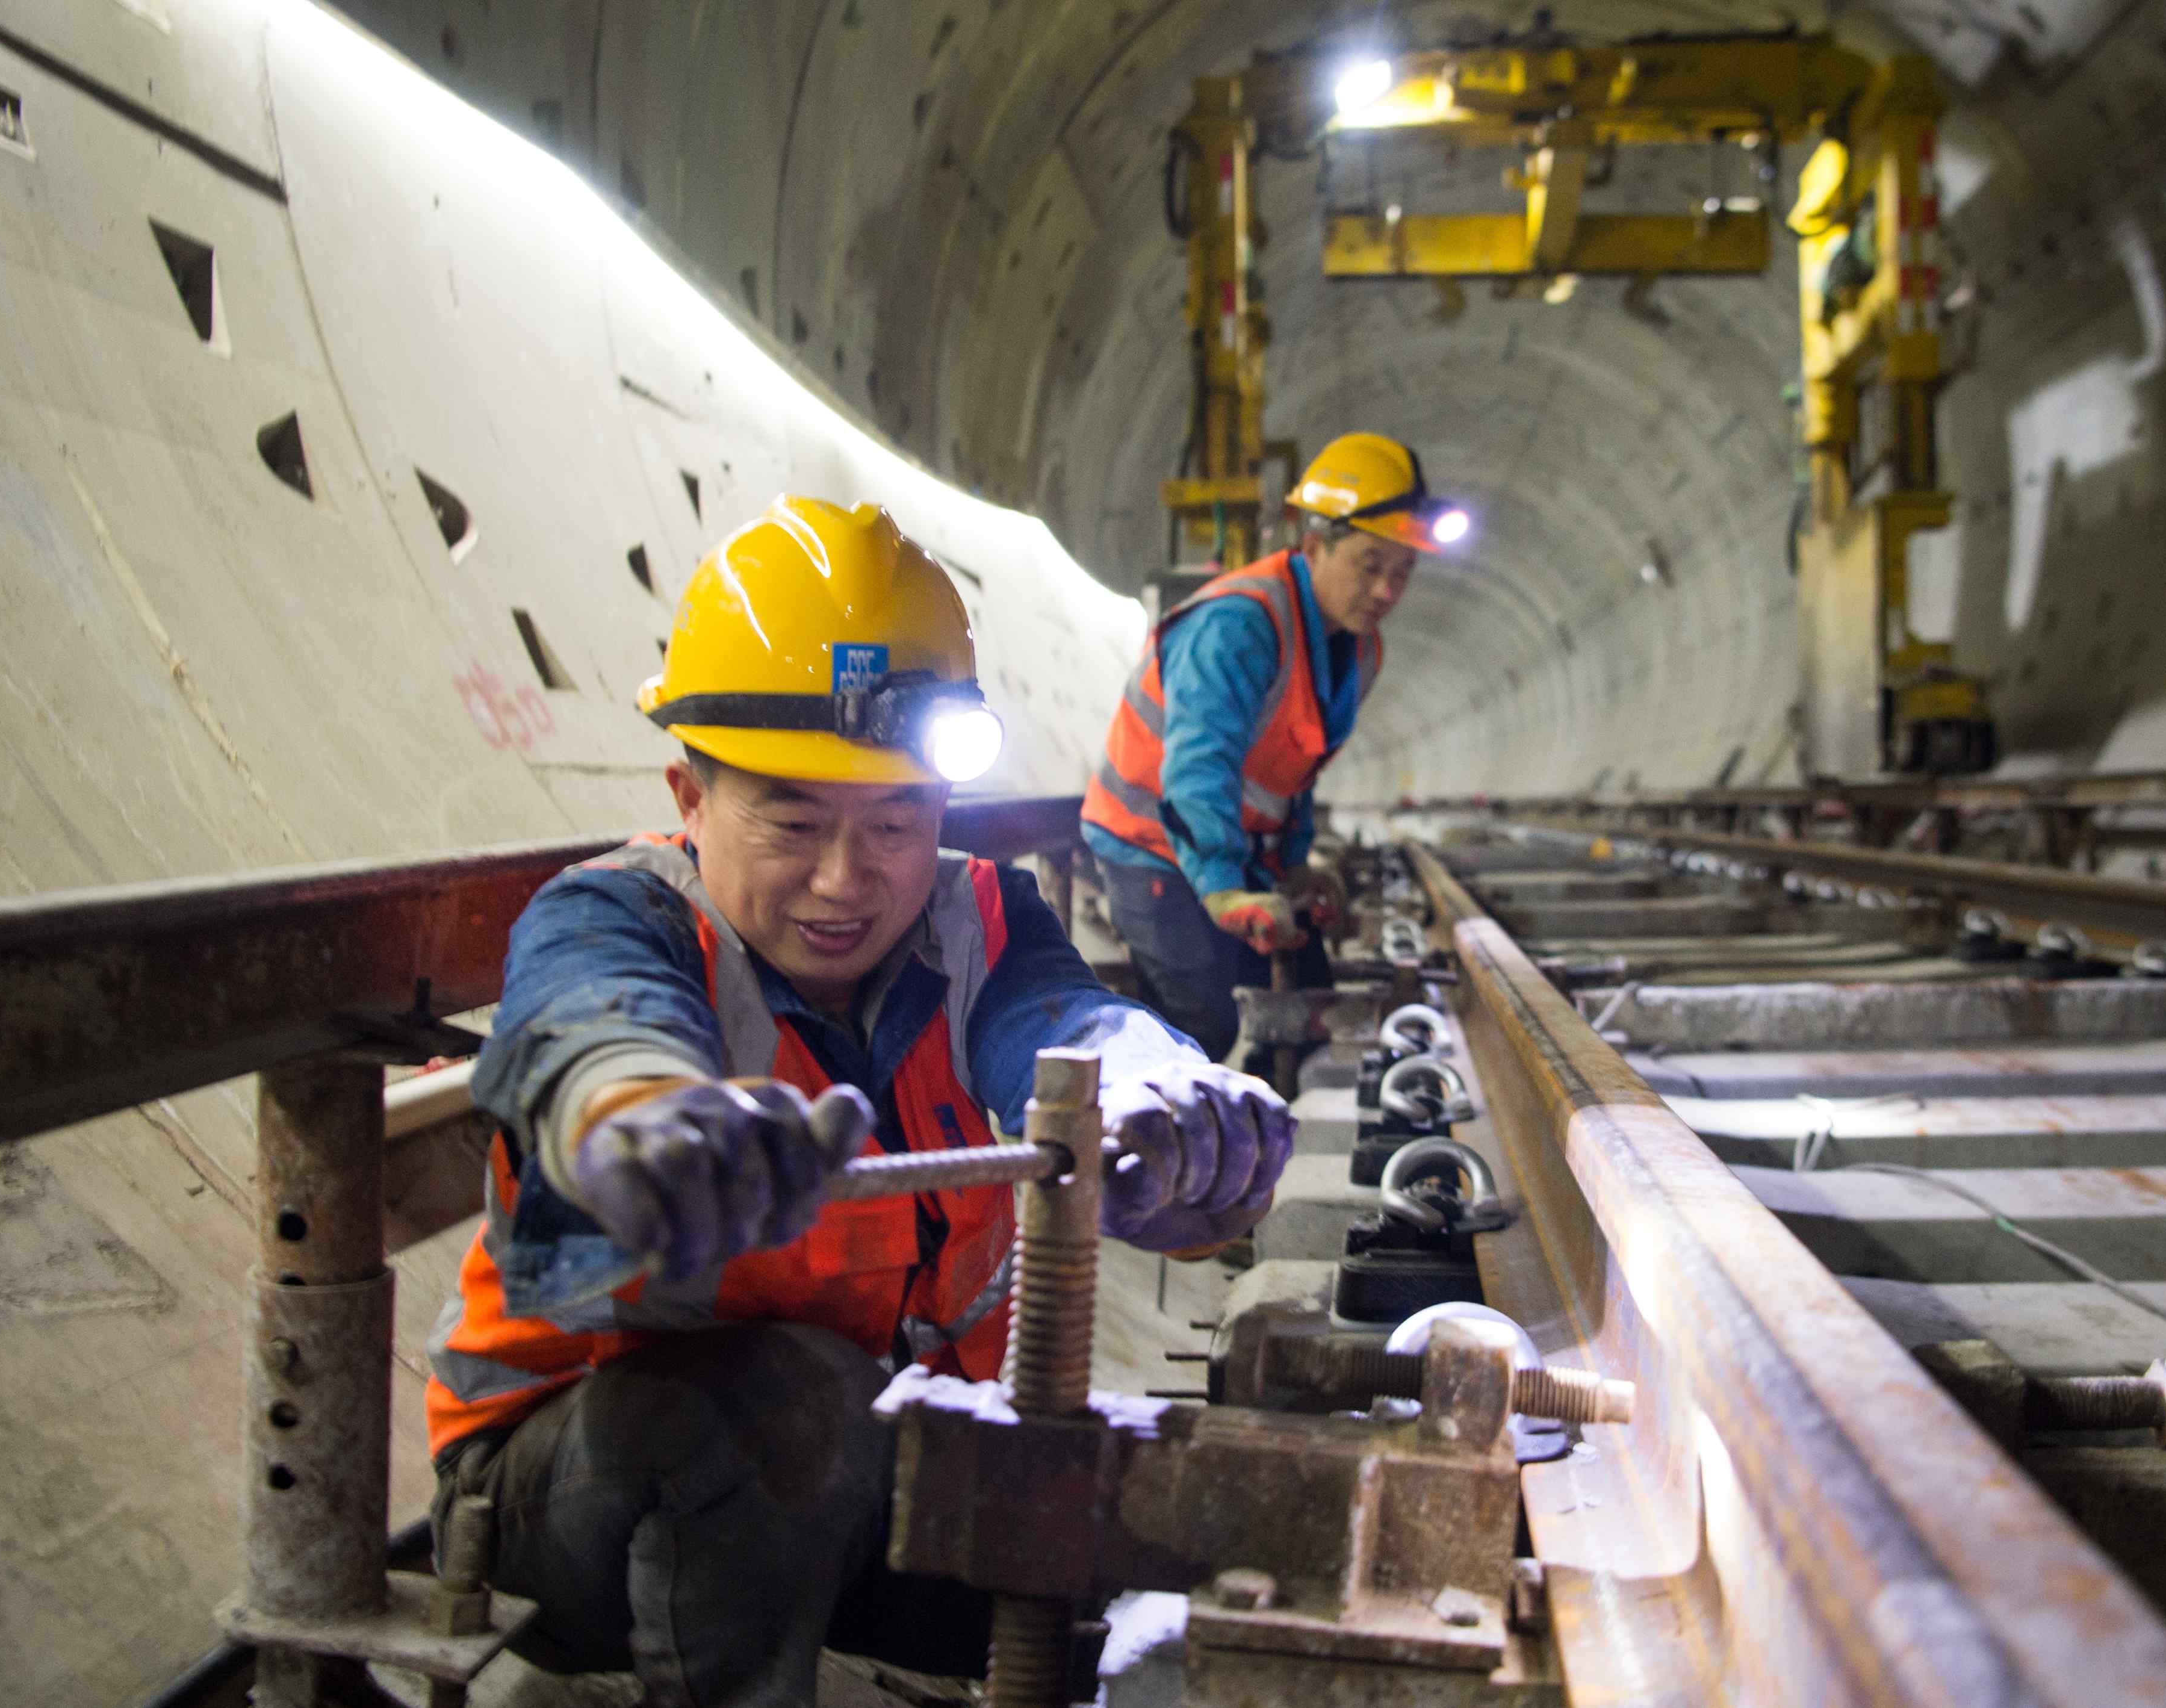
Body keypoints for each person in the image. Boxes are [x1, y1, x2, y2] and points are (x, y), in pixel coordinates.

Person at [425, 497, 1294, 1706]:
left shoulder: (977, 917)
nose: (848, 881)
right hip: (571, 1496)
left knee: (1154, 1567)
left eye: (895, 820)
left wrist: (1157, 1086)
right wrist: (649, 1125)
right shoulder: (617, 918)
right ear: (688, 791)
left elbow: (1060, 1018)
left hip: (883, 1454)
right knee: (788, 1403)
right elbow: (599, 1029)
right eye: (791, 820)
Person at [1080, 433, 1465, 1076]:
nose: (1384, 591)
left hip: (1224, 843)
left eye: (1401, 573)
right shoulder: (1240, 626)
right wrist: (1227, 890)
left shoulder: (1358, 649)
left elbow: (1293, 770)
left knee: (1308, 997)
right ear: (1314, 546)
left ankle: (1255, 1115)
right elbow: (1198, 767)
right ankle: (1147, 1142)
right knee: (1202, 1017)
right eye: (1369, 565)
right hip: (1148, 839)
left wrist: (1290, 865)